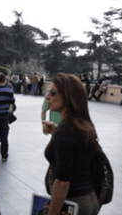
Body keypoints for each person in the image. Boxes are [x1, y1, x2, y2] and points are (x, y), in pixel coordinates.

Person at [42, 73, 100, 215]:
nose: (48, 96)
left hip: (73, 203)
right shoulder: (84, 125)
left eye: (53, 92)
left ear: (68, 97)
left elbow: (62, 182)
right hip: (88, 198)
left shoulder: (66, 131)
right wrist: (56, 131)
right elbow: (77, 149)